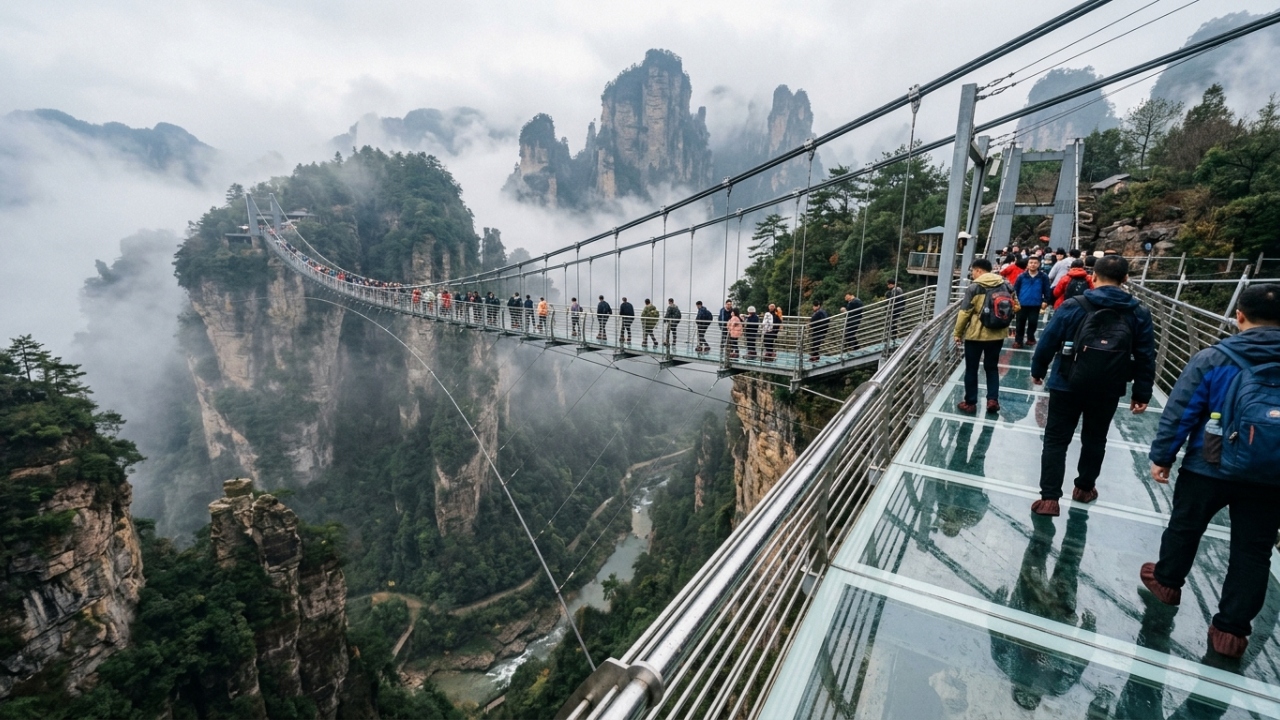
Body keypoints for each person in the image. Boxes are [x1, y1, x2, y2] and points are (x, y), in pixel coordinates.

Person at [1142, 284, 1280, 658]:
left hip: (1208, 464)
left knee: (1186, 526)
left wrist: (1163, 457)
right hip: (1270, 476)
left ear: (1239, 316)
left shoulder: (1215, 357)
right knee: (1253, 552)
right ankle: (1231, 632)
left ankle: (1167, 583)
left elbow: (1182, 410)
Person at [1029, 255, 1155, 516]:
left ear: (1093, 277)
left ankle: (1050, 499)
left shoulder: (1074, 305)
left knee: (1055, 440)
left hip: (1066, 382)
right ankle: (1085, 488)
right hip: (1109, 386)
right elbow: (1145, 354)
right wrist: (1142, 392)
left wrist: (1038, 370)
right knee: (1095, 438)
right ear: (1126, 279)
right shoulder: (1138, 311)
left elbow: (1048, 340)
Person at [954, 259, 1013, 414]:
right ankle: (992, 400)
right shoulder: (1005, 284)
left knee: (972, 369)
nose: (972, 274)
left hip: (976, 336)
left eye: (973, 271)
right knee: (992, 368)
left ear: (979, 270)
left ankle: (970, 403)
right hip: (997, 335)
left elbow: (964, 313)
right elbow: (1016, 306)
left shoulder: (974, 287)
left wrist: (958, 333)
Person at [1012, 256, 1051, 348]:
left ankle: (1030, 338)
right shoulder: (1021, 276)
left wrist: (1046, 300)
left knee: (1033, 322)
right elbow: (1015, 290)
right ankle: (1018, 341)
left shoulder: (1043, 277)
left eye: (1035, 263)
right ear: (1027, 265)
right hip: (1021, 304)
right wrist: (1014, 301)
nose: (1033, 265)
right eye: (1031, 263)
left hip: (1036, 304)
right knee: (1020, 323)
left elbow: (1047, 290)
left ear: (1039, 264)